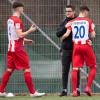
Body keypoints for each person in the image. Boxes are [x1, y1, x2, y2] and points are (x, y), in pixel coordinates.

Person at [0, 2, 45, 97]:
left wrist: (26, 40)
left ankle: (1, 91)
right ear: (18, 8)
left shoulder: (10, 20)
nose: (23, 10)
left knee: (9, 70)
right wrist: (30, 30)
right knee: (27, 69)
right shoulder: (17, 20)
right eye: (22, 8)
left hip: (11, 48)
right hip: (18, 49)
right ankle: (33, 93)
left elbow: (15, 35)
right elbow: (20, 34)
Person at [61, 6, 96, 97]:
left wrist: (62, 39)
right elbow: (92, 35)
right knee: (93, 66)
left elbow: (66, 34)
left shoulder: (72, 22)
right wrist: (92, 35)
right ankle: (88, 87)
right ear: (85, 12)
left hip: (76, 47)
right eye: (87, 13)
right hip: (85, 45)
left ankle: (74, 91)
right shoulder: (88, 21)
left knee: (75, 68)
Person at [56, 5, 80, 96]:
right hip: (65, 50)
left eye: (69, 11)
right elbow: (58, 34)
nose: (67, 13)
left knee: (76, 70)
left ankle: (76, 90)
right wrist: (65, 27)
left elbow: (84, 32)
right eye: (66, 11)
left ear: (73, 11)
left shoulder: (78, 21)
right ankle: (64, 90)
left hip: (76, 50)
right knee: (65, 71)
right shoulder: (64, 22)